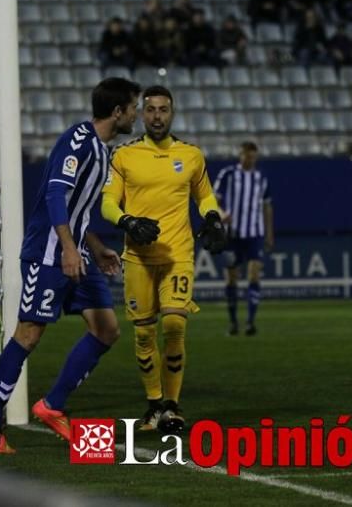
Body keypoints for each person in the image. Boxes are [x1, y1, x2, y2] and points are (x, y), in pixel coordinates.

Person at [0, 78, 142, 454]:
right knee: (29, 335)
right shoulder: (78, 140)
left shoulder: (103, 151)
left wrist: (95, 248)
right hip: (48, 255)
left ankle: (51, 405)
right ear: (118, 112)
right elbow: (55, 192)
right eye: (134, 107)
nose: (136, 114)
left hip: (78, 253)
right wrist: (68, 248)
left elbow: (79, 211)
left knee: (107, 330)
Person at [101, 85, 227, 434]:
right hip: (138, 258)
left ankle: (172, 406)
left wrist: (213, 218)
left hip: (178, 254)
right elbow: (108, 202)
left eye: (163, 109)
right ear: (142, 113)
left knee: (174, 325)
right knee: (143, 336)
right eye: (151, 109)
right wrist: (127, 221)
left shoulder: (191, 155)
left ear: (172, 113)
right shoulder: (124, 155)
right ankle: (154, 405)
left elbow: (205, 197)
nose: (157, 115)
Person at [213, 142, 273, 336]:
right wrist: (221, 214)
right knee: (232, 279)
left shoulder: (261, 178)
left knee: (254, 274)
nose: (249, 159)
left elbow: (267, 206)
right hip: (232, 235)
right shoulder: (228, 174)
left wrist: (269, 233)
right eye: (246, 155)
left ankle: (250, 322)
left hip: (254, 234)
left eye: (252, 156)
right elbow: (212, 200)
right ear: (240, 155)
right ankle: (233, 322)